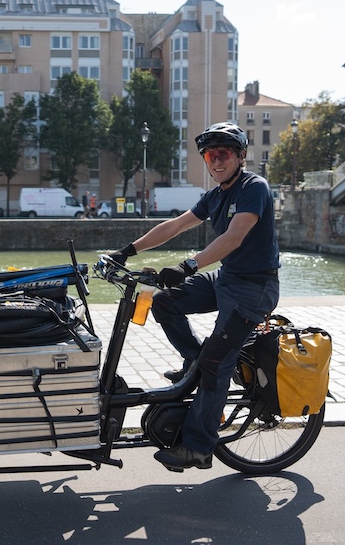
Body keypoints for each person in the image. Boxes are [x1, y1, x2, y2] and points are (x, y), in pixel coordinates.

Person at [109, 121, 279, 471]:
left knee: (217, 365)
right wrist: (127, 251)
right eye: (210, 155)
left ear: (240, 155)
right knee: (164, 301)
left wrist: (189, 265)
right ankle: (194, 359)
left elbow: (234, 237)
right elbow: (175, 225)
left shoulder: (254, 188)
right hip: (227, 277)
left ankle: (199, 447)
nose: (216, 161)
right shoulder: (215, 195)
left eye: (224, 153)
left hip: (254, 286)